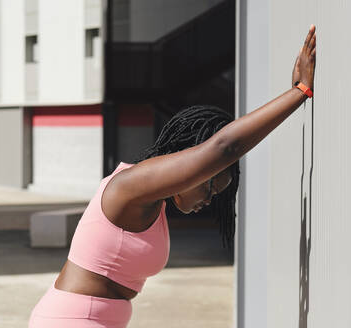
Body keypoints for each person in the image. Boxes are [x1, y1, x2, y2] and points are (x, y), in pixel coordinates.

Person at [28, 24, 317, 328]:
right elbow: (224, 147)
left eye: (215, 194)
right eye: (208, 186)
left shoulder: (152, 203)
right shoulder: (129, 187)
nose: (208, 200)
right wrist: (299, 93)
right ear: (188, 160)